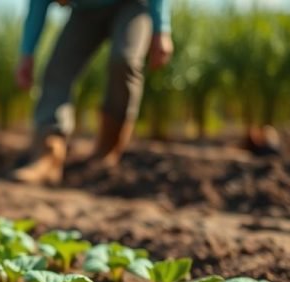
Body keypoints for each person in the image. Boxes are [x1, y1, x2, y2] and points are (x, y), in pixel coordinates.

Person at [13, 0, 173, 185]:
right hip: (85, 11)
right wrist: (27, 53)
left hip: (133, 5)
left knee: (124, 61)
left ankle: (107, 150)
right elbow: (38, 5)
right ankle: (48, 156)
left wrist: (161, 28)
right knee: (57, 72)